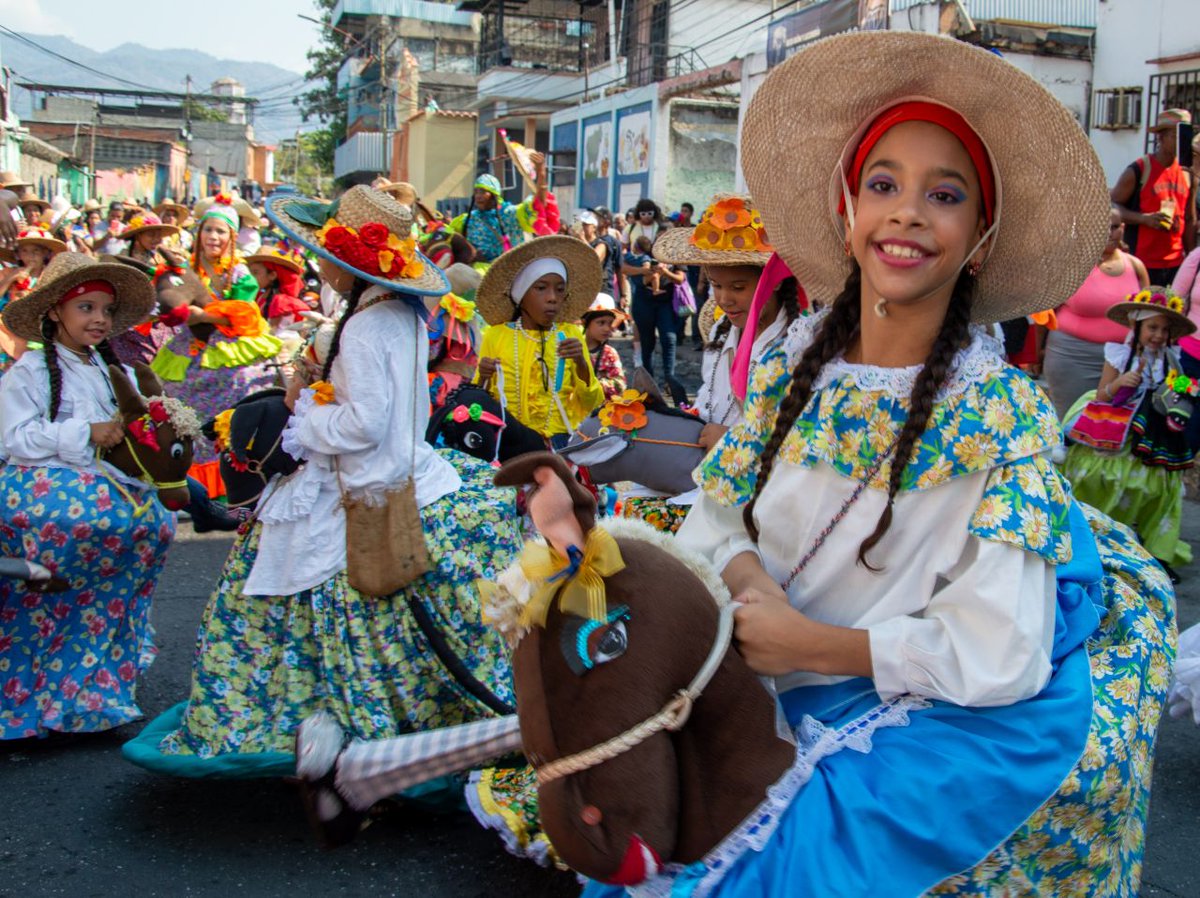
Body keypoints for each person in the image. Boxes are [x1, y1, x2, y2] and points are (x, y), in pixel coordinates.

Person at [578, 30, 1167, 896]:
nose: (907, 212)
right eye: (883, 184)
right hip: (752, 662)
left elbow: (999, 650)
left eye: (946, 194)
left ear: (980, 234)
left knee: (787, 865)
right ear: (847, 208)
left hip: (895, 704)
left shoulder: (996, 417)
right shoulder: (789, 362)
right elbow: (717, 511)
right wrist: (749, 584)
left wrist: (814, 644)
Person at [122, 186, 523, 787]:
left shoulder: (364, 328)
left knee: (267, 600)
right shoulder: (404, 316)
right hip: (410, 471)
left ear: (348, 264)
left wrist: (306, 414)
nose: (321, 269)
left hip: (357, 486)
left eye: (326, 258)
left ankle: (315, 726)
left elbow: (364, 424)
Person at [0, 252, 174, 739]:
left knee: (151, 526)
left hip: (102, 491)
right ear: (55, 310)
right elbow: (13, 439)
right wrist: (84, 433)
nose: (100, 319)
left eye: (106, 310)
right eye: (87, 308)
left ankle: (89, 701)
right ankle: (29, 704)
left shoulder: (105, 367)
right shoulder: (30, 371)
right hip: (45, 494)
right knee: (79, 545)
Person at [1060, 286, 1195, 578]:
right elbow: (1102, 395)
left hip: (1155, 427)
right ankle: (1099, 538)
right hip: (1118, 423)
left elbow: (1179, 385)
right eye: (1152, 328)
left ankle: (1155, 549)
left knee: (1158, 487)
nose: (1158, 335)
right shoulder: (1119, 355)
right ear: (1137, 326)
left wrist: (1181, 387)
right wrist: (1120, 382)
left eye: (1164, 329)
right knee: (1105, 479)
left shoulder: (1172, 358)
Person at [150, 194, 278, 496]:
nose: (213, 237)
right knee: (175, 398)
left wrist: (204, 315)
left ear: (232, 237)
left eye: (221, 232)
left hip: (231, 344)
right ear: (199, 233)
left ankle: (231, 476)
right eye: (208, 230)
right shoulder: (185, 269)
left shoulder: (239, 273)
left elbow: (245, 314)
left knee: (241, 391)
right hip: (190, 345)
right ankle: (186, 476)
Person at [655, 194, 802, 447]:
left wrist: (730, 440)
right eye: (716, 285)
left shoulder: (795, 345)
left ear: (774, 281)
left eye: (738, 287)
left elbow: (797, 439)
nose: (724, 299)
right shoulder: (719, 332)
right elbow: (708, 399)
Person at [473, 236, 604, 449]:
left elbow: (592, 403)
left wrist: (580, 361)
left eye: (560, 290)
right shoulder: (496, 336)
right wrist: (484, 376)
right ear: (521, 295)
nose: (552, 298)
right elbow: (477, 401)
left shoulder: (569, 333)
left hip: (558, 441)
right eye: (541, 288)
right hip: (506, 441)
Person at [1042, 206, 1150, 419]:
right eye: (1102, 227)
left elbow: (1146, 316)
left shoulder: (1136, 266)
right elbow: (1046, 312)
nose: (1109, 233)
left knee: (1111, 427)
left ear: (1123, 228)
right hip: (1072, 357)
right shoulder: (1072, 264)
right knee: (1070, 422)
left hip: (1122, 361)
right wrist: (1037, 351)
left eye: (1114, 227)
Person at [1111, 108, 1196, 284]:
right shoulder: (1139, 169)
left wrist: (1192, 258)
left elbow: (1190, 219)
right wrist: (1144, 219)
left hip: (1176, 263)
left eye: (1185, 136)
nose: (1182, 142)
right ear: (1161, 137)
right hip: (1143, 263)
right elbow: (1113, 206)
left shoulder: (1188, 174)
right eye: (1176, 136)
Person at [623, 232, 688, 405]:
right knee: (647, 342)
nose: (662, 242)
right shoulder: (644, 255)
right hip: (643, 303)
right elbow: (627, 271)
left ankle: (670, 379)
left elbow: (680, 279)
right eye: (659, 238)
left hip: (665, 303)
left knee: (669, 338)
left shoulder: (675, 255)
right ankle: (649, 384)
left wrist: (665, 272)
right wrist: (645, 271)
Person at [446, 162, 550, 263]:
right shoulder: (468, 219)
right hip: (476, 273)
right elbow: (447, 236)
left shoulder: (510, 214)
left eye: (482, 191)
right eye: (476, 192)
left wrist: (541, 174)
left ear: (494, 195)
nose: (478, 196)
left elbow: (539, 205)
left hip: (507, 272)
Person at [245, 244, 311, 334]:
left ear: (272, 275)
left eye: (255, 272)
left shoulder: (281, 302)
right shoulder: (260, 296)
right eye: (250, 272)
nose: (250, 277)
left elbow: (271, 332)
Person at [581, 292, 626, 402]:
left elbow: (620, 384)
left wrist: (594, 385)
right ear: (585, 323)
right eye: (601, 323)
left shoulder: (609, 353)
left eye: (610, 323)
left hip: (603, 411)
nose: (607, 328)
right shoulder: (576, 350)